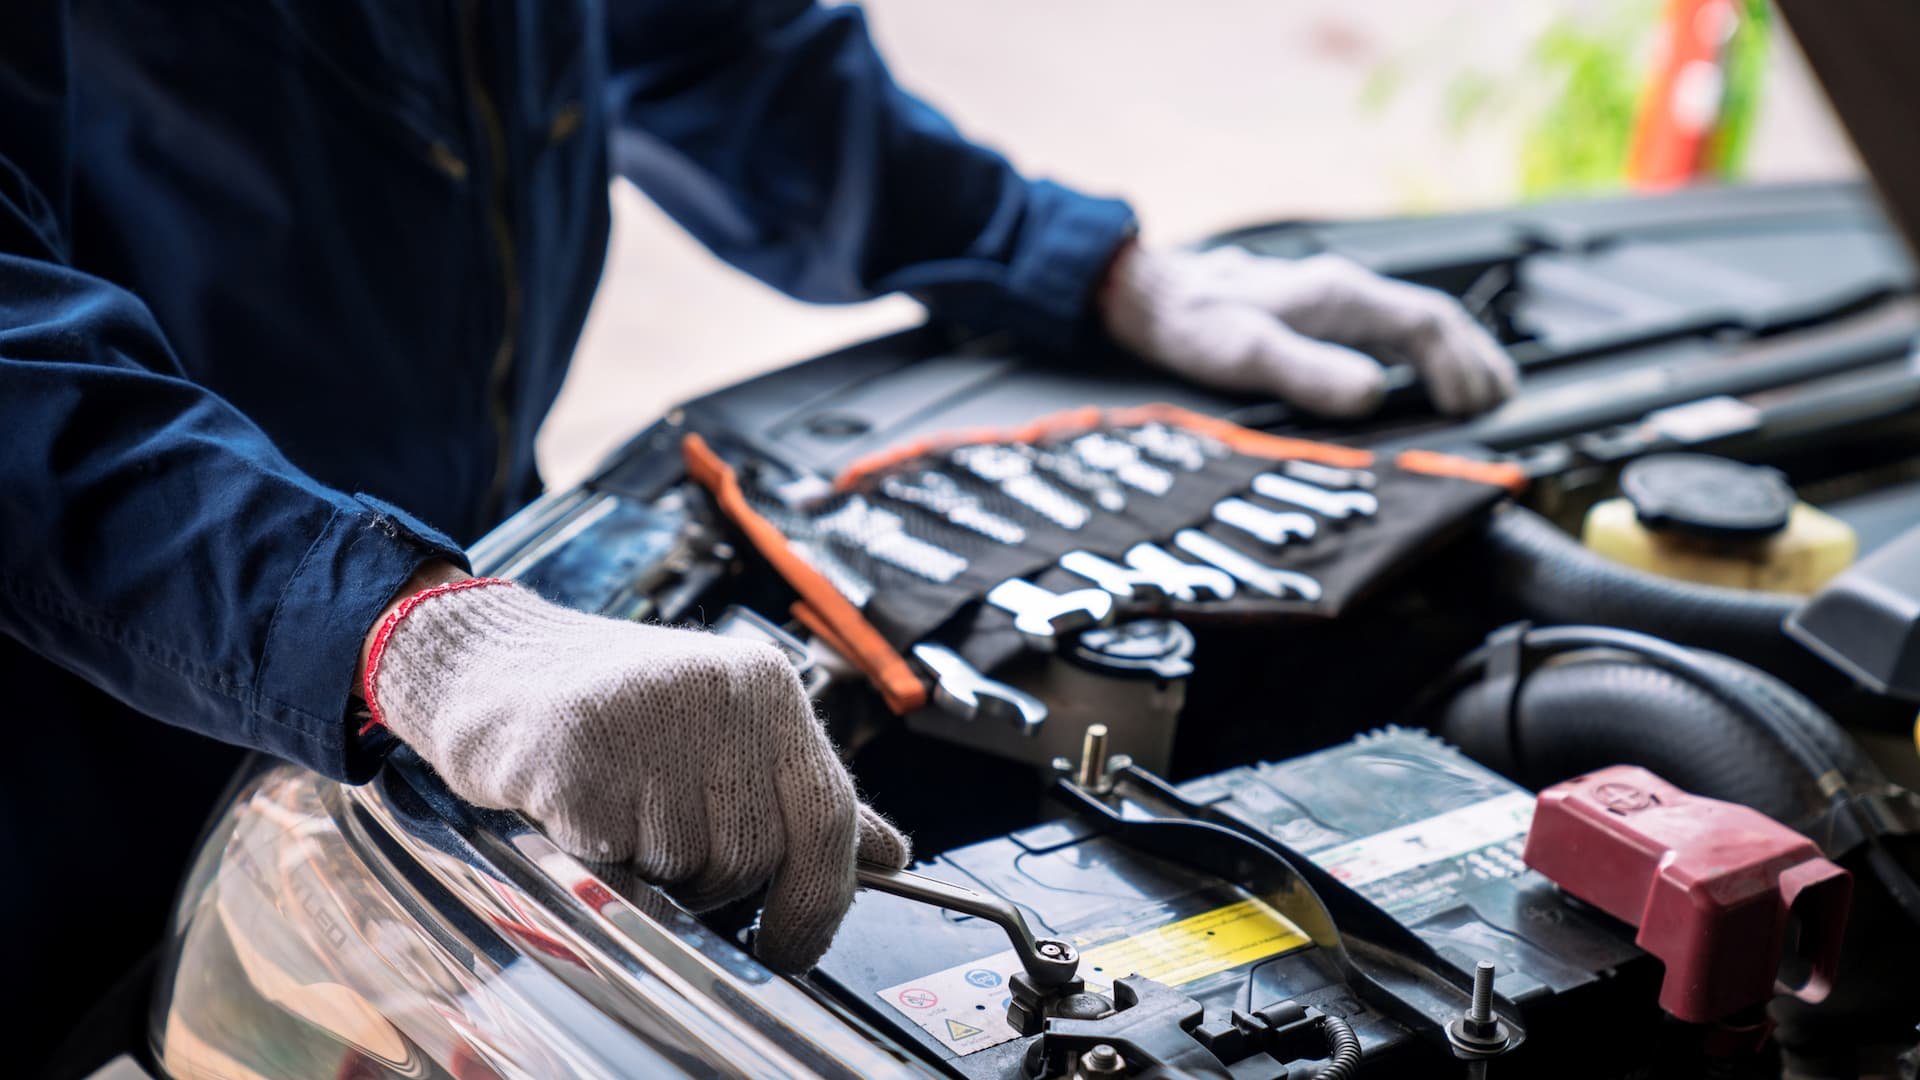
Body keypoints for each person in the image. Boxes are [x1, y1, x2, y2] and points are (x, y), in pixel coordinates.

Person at [1, 3, 1516, 1069]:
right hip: (72, 718)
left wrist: (1074, 263)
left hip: (455, 579)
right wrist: (405, 635)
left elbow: (710, 42)